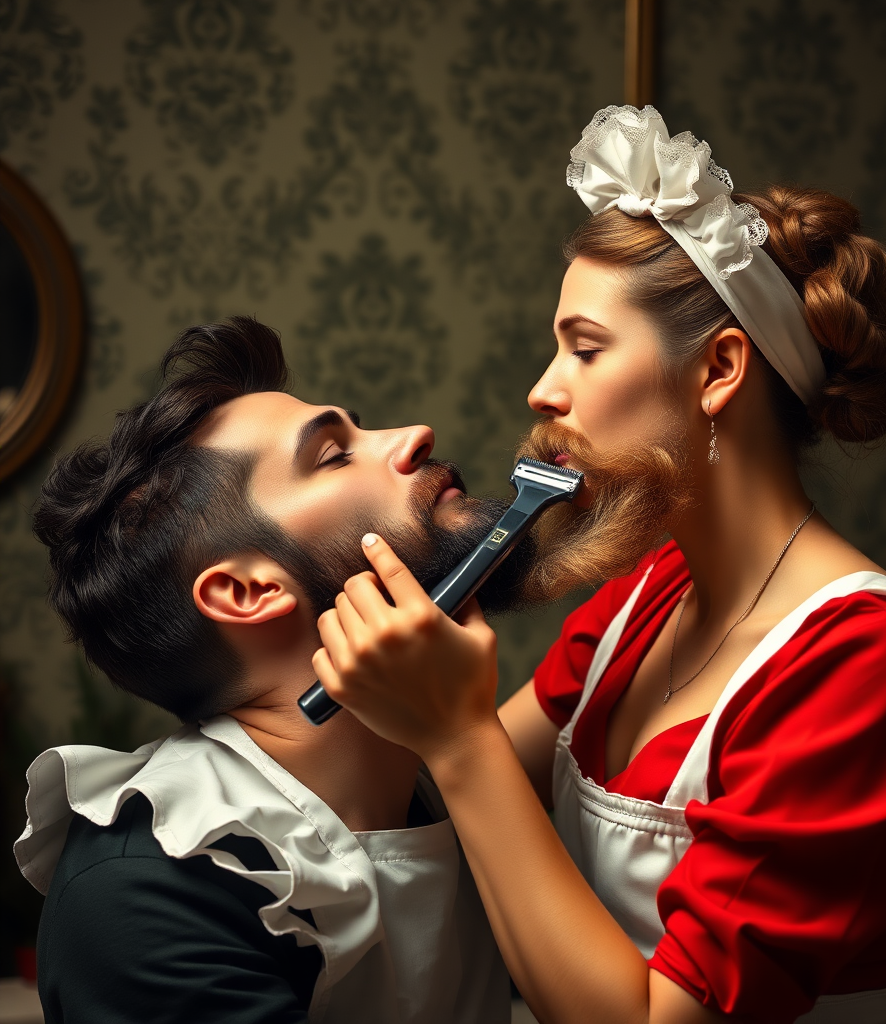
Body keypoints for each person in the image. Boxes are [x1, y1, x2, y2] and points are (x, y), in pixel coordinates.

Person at [311, 106, 886, 1024]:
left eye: (585, 347)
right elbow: (435, 796)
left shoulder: (872, 670)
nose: (543, 388)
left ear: (719, 370)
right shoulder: (649, 598)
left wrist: (457, 734)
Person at [14, 316, 525, 1023]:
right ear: (250, 592)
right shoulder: (147, 894)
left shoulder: (441, 786)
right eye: (334, 456)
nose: (415, 436)